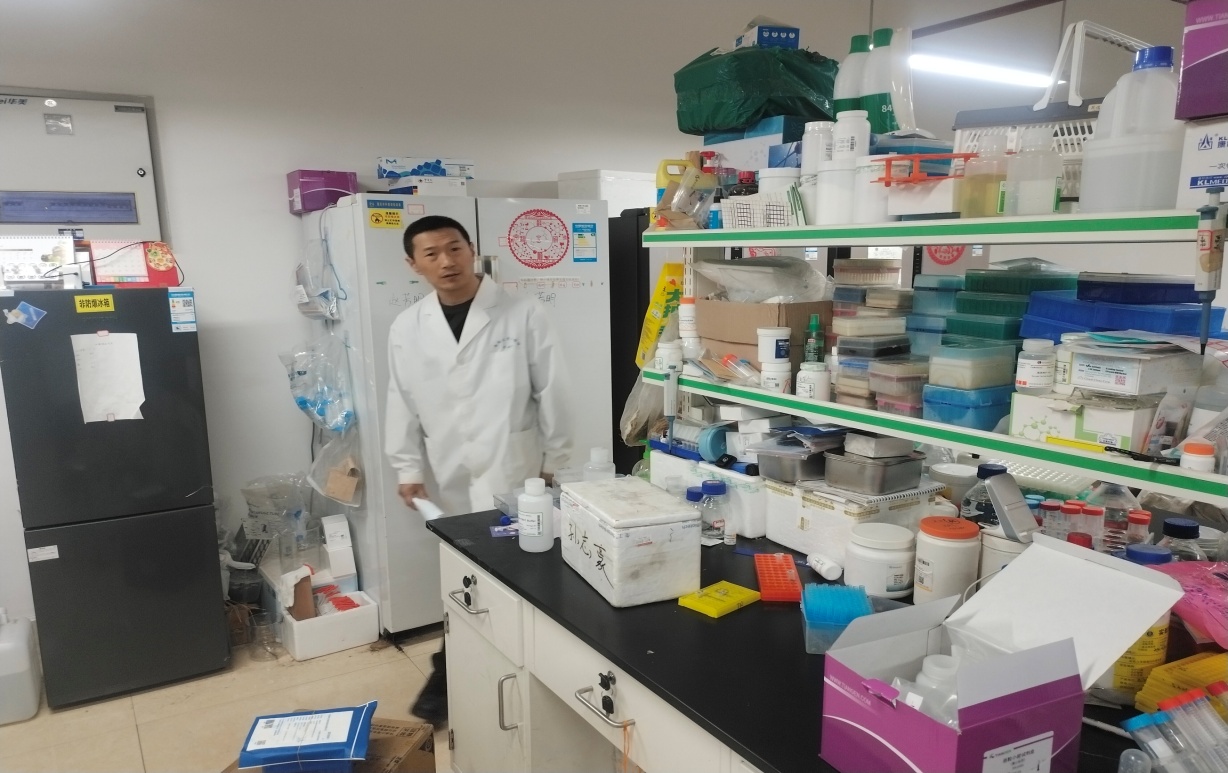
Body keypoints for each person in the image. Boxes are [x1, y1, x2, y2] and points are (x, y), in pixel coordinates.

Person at [385, 214, 572, 725]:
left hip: (515, 466)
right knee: (467, 570)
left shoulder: (523, 312)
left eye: (455, 248)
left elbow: (553, 391)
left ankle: (460, 675)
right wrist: (406, 467)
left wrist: (555, 462)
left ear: (472, 250)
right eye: (431, 254)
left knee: (517, 569)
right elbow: (401, 399)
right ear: (414, 265)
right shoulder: (408, 326)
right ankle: (463, 668)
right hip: (449, 471)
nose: (446, 261)